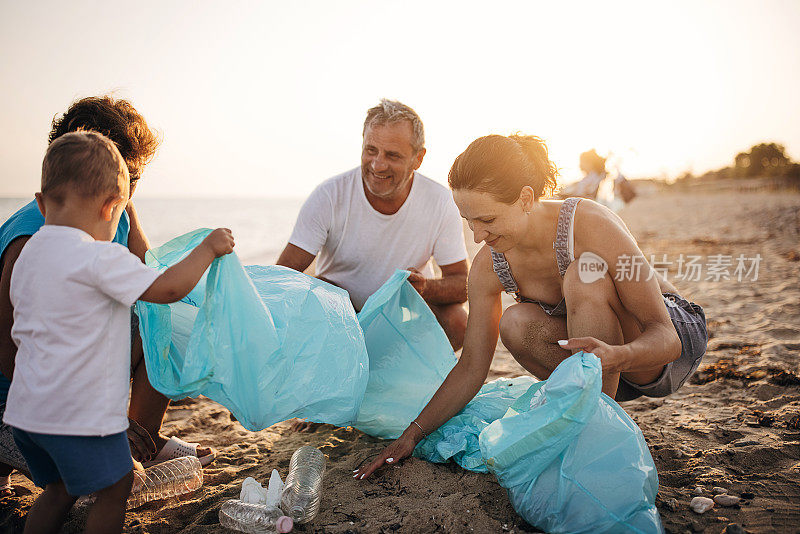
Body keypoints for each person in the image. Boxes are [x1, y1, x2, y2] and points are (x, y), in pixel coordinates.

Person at [355, 134, 707, 479]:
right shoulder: (488, 265)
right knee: (515, 323)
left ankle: (595, 429)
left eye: (488, 220)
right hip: (606, 366)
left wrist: (617, 357)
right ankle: (593, 411)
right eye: (469, 221)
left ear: (525, 198)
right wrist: (411, 435)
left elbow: (667, 338)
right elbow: (472, 366)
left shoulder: (588, 224)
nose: (477, 235)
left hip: (663, 350)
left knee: (584, 275)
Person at [3, 131, 234, 533]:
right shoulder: (99, 257)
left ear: (40, 203)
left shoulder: (29, 256)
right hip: (78, 418)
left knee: (57, 489)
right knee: (118, 485)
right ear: (114, 207)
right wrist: (208, 249)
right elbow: (169, 289)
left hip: (26, 415)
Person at [276, 99, 469, 350]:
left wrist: (425, 288)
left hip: (403, 317)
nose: (378, 165)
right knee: (321, 292)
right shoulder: (329, 195)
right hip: (338, 318)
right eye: (371, 150)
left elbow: (461, 285)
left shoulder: (440, 201)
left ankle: (415, 379)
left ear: (418, 158)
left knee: (458, 322)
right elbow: (282, 276)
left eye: (393, 155)